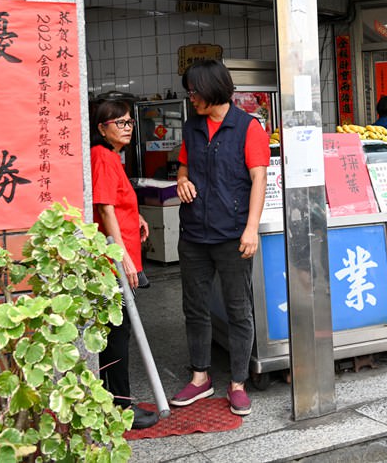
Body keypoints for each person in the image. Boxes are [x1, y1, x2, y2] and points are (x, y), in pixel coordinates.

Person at [169, 60, 270, 416]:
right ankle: (200, 378)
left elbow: (259, 179)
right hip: (194, 232)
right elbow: (184, 165)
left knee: (238, 309)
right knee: (194, 308)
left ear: (212, 89)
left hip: (233, 234)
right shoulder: (192, 126)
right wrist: (182, 180)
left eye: (194, 92)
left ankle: (238, 383)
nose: (191, 98)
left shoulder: (248, 128)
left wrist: (251, 227)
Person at [89, 99, 159, 430]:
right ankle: (120, 410)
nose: (128, 127)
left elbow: (116, 201)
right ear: (102, 128)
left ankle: (117, 403)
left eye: (129, 121)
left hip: (120, 255)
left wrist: (137, 216)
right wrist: (124, 257)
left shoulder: (113, 156)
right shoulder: (102, 156)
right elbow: (103, 208)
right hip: (112, 262)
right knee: (118, 333)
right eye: (120, 122)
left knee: (119, 331)